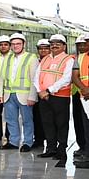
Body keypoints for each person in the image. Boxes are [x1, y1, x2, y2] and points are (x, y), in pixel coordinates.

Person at [34, 34, 74, 168]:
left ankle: (61, 150)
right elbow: (37, 76)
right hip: (44, 97)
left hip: (60, 97)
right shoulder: (45, 58)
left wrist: (49, 90)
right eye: (52, 43)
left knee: (61, 124)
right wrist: (40, 90)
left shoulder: (68, 59)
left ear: (64, 46)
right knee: (48, 123)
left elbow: (66, 78)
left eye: (58, 43)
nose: (54, 45)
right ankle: (50, 149)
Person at [0, 33, 38, 153]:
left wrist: (32, 96)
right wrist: (0, 94)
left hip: (25, 96)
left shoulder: (31, 58)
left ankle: (27, 142)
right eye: (13, 44)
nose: (15, 46)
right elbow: (2, 77)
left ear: (24, 44)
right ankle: (13, 142)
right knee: (10, 119)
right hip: (9, 94)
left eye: (18, 44)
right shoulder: (8, 58)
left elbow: (34, 79)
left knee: (27, 120)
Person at [32, 39, 51, 148]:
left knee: (50, 120)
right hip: (37, 94)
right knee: (37, 118)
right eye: (41, 48)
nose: (43, 50)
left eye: (46, 48)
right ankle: (38, 140)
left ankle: (51, 142)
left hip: (50, 94)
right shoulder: (35, 61)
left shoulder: (54, 62)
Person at [72, 35, 88, 158]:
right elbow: (75, 76)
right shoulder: (77, 58)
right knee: (79, 122)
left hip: (84, 93)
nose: (82, 46)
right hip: (79, 94)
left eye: (85, 43)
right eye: (80, 44)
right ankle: (83, 146)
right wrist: (83, 89)